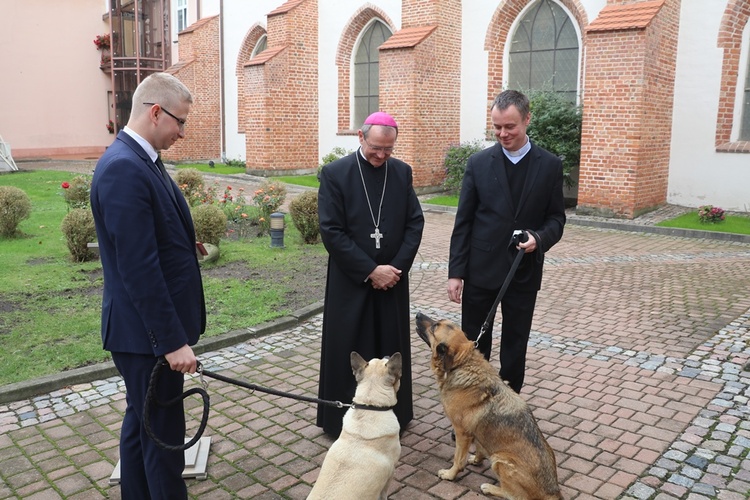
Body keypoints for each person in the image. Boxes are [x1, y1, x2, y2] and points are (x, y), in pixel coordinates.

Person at [90, 72, 206, 499]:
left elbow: (146, 235)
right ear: (156, 112)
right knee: (164, 439)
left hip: (145, 334)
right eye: (180, 121)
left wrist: (181, 239)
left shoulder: (142, 159)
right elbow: (137, 268)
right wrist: (172, 342)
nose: (182, 132)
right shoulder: (124, 168)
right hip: (146, 338)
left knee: (142, 425)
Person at [447, 89, 565, 394]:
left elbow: (556, 219)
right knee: (474, 345)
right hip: (480, 270)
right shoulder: (478, 163)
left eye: (510, 126)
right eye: (497, 127)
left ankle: (507, 408)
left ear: (527, 119)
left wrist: (538, 238)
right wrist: (456, 272)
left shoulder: (549, 165)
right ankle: (473, 407)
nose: (502, 133)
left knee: (515, 344)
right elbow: (464, 222)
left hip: (522, 272)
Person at [316, 111, 424, 437]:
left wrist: (396, 269)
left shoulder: (402, 172)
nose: (381, 156)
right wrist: (369, 270)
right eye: (376, 148)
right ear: (361, 137)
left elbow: (414, 223)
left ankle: (394, 415)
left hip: (391, 280)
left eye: (388, 150)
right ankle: (341, 420)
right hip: (352, 282)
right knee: (351, 347)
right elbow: (331, 230)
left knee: (391, 348)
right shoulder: (336, 174)